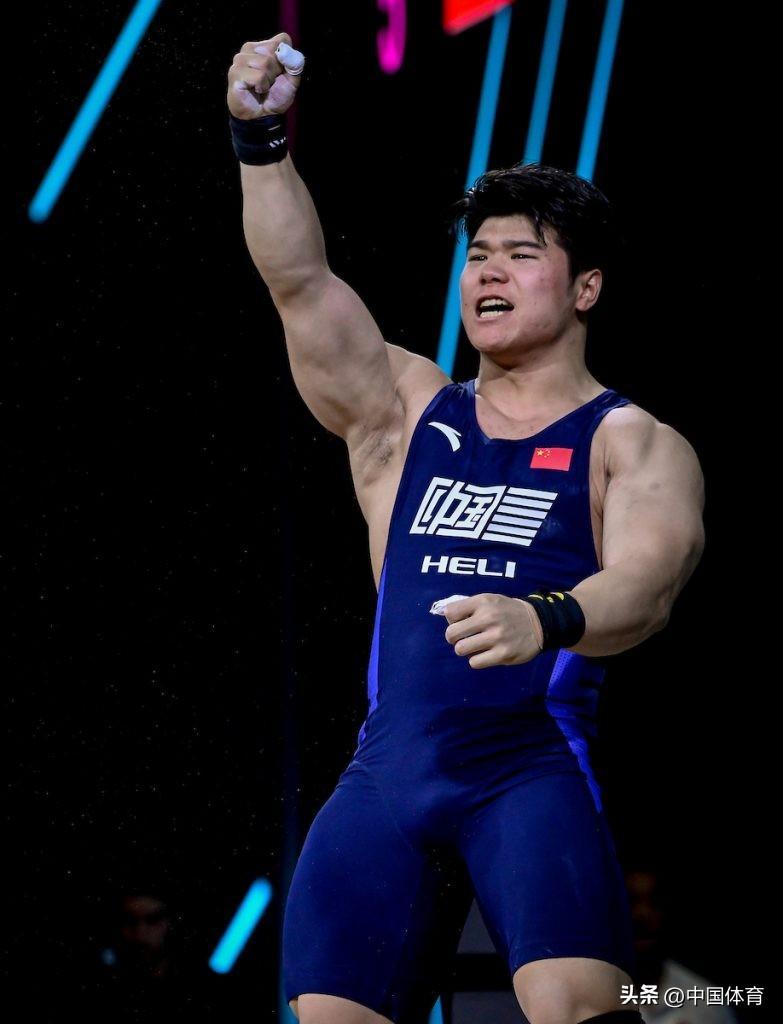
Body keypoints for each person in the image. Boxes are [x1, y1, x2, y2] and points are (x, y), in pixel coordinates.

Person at [225, 32, 706, 1024]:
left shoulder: (629, 440)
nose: (490, 271)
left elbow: (647, 588)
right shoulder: (405, 413)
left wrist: (547, 615)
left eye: (522, 255)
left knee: (577, 1010)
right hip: (387, 780)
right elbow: (300, 283)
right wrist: (258, 139)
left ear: (585, 288)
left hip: (528, 770)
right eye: (477, 254)